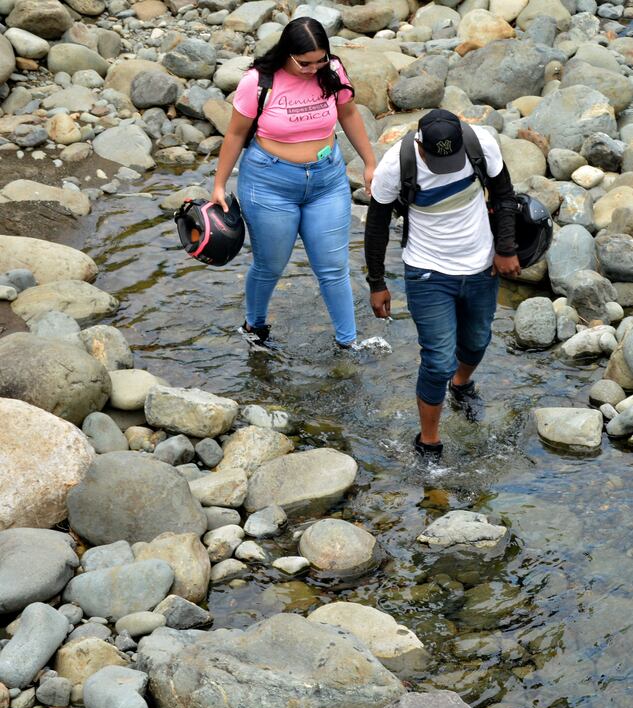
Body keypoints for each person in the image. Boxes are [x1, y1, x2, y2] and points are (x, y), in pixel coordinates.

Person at [211, 17, 376, 351]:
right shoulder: (258, 81)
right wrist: (219, 184)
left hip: (327, 180)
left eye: (320, 61)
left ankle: (348, 344)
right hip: (269, 183)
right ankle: (254, 326)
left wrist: (371, 162)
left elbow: (349, 115)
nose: (313, 69)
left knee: (333, 268)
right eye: (305, 63)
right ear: (287, 53)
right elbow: (236, 133)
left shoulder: (332, 72)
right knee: (270, 265)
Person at [364, 109, 520, 462]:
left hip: (481, 267)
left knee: (477, 341)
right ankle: (429, 442)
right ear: (420, 145)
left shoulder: (481, 144)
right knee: (437, 360)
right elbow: (376, 225)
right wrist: (377, 282)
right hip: (427, 273)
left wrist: (506, 249)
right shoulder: (396, 164)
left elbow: (504, 195)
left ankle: (462, 384)